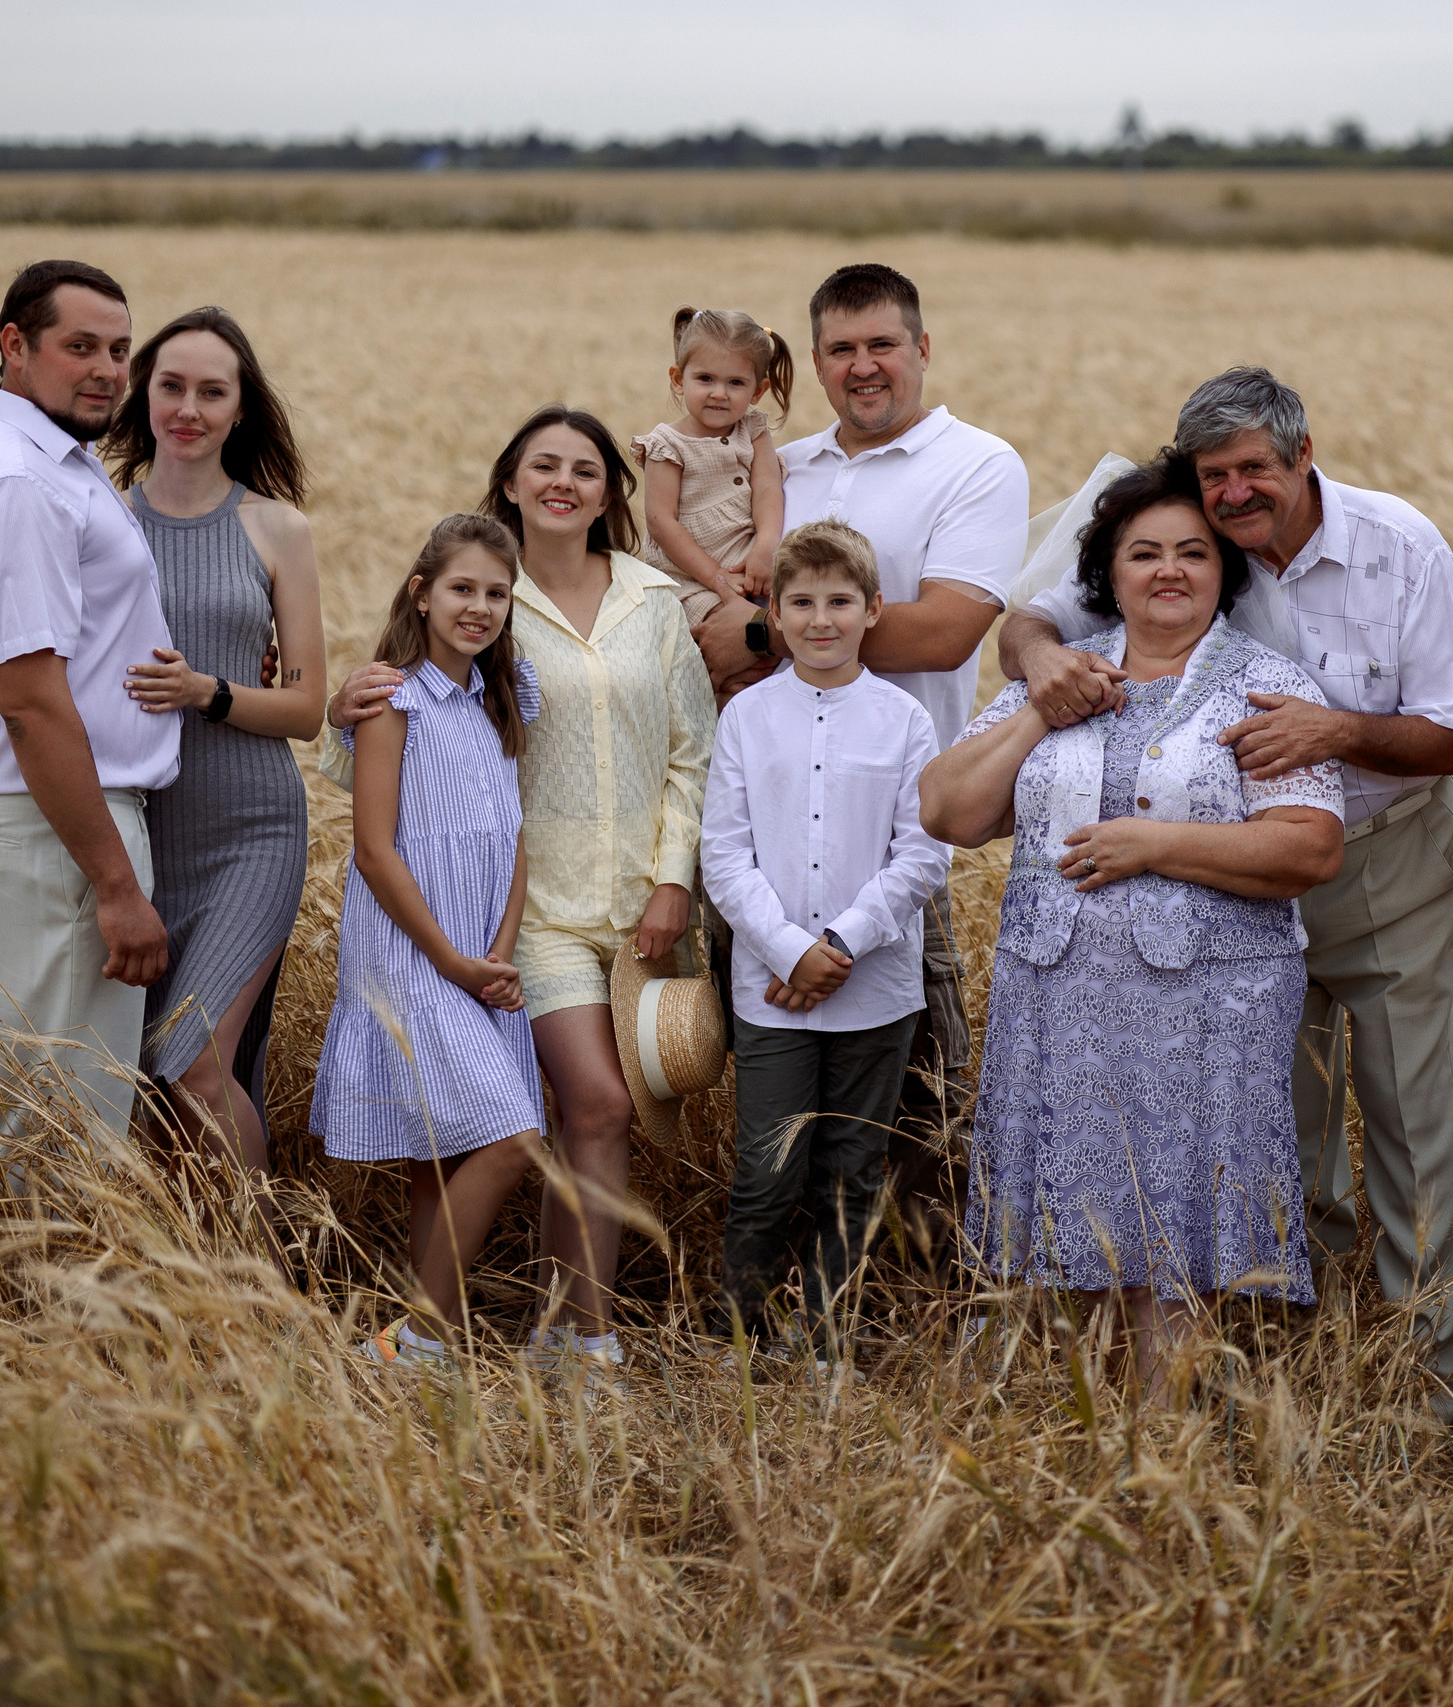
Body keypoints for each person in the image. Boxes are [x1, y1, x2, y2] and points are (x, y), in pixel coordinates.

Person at [1003, 368, 1453, 1419]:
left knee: (1412, 1125)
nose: (1233, 494)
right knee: (1273, 1128)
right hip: (1221, 886)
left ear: (1303, 454)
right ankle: (1289, 1371)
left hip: (1380, 860)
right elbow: (1030, 621)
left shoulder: (1398, 546)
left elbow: (1450, 734)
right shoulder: (1189, 548)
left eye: (1254, 471)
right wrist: (1042, 657)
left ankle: (1432, 1390)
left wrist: (1338, 732)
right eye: (1214, 475)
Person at [924, 455, 1344, 1399]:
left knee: (1176, 1226)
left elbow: (1308, 849)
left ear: (1223, 572)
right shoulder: (1066, 672)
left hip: (1209, 1000)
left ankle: (1167, 1439)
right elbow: (949, 813)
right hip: (1059, 996)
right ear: (1105, 571)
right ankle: (1085, 1428)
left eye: (1192, 553)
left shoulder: (1263, 683)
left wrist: (1154, 843)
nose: (1168, 571)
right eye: (1143, 552)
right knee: (1077, 1216)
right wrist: (1042, 705)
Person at [327, 407, 717, 1375]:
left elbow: (691, 753)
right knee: (587, 1107)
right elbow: (393, 784)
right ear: (506, 480)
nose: (564, 482)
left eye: (585, 468)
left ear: (609, 493)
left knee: (559, 1119)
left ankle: (539, 1332)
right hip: (520, 914)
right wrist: (342, 712)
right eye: (543, 464)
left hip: (630, 905)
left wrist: (676, 880)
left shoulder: (649, 599)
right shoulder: (486, 598)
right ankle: (571, 1337)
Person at [696, 263, 1030, 1263]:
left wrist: (757, 636)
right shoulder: (779, 466)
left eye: (883, 344)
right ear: (811, 364)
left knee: (917, 1076)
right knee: (777, 1083)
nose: (863, 366)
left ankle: (922, 1292)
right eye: (840, 349)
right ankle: (787, 1291)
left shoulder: (975, 463)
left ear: (922, 350)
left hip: (893, 824)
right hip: (763, 821)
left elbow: (945, 628)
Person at [0, 259, 177, 1150]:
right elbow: (29, 703)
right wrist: (115, 884)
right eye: (80, 347)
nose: (108, 368)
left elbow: (35, 646)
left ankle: (27, 1289)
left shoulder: (41, 460)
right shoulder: (17, 482)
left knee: (39, 1101)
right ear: (14, 346)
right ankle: (35, 1295)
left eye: (118, 348)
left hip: (48, 826)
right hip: (51, 835)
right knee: (57, 1125)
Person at [699, 521, 947, 1352]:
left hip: (873, 989)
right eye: (801, 602)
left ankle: (821, 1335)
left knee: (852, 1169)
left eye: (840, 601)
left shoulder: (906, 721)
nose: (821, 619)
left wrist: (836, 944)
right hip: (770, 991)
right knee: (767, 1172)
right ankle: (737, 1333)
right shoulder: (746, 719)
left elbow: (922, 854)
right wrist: (789, 948)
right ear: (774, 609)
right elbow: (725, 854)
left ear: (873, 609)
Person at [101, 308, 323, 1213]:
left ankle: (270, 1285)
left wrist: (209, 693)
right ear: (141, 395)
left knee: (192, 1062)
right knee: (150, 1088)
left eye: (212, 392)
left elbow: (306, 706)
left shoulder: (276, 528)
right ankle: (195, 1292)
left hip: (251, 830)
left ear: (240, 410)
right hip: (135, 835)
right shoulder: (98, 519)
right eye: (171, 386)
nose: (188, 408)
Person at [315, 515, 545, 1371]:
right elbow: (374, 849)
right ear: (422, 592)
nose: (479, 606)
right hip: (411, 953)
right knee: (511, 1134)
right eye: (462, 588)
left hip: (479, 956)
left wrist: (500, 950)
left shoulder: (503, 700)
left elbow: (513, 836)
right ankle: (417, 1334)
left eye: (495, 592)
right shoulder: (390, 700)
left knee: (440, 1149)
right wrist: (451, 959)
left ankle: (424, 1344)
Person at [634, 307, 793, 628]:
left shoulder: (753, 430)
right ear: (679, 380)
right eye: (705, 379)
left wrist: (766, 544)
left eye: (736, 382)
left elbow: (767, 488)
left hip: (751, 566)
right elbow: (660, 522)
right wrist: (716, 578)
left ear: (757, 391)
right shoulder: (667, 445)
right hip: (690, 579)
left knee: (795, 611)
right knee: (736, 633)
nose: (719, 393)